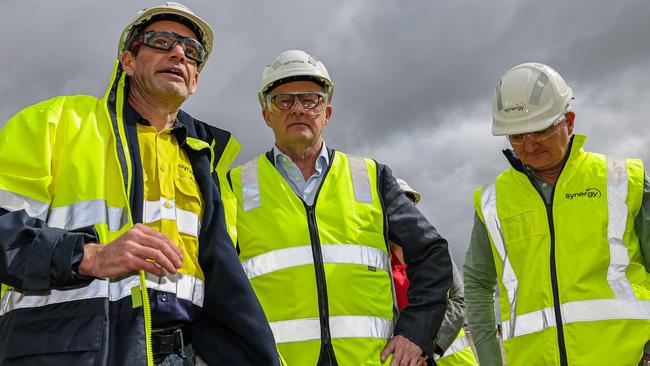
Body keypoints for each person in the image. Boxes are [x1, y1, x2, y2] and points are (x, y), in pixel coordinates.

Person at [0, 3, 280, 365]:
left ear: (195, 80)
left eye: (192, 52)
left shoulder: (205, 162)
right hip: (64, 351)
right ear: (127, 61)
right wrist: (89, 255)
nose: (179, 53)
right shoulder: (55, 123)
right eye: (162, 41)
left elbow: (227, 292)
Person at [228, 49, 453, 365]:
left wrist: (416, 333)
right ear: (267, 115)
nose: (297, 109)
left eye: (310, 100)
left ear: (327, 113)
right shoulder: (234, 185)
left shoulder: (371, 177)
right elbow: (216, 281)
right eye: (283, 100)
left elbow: (432, 254)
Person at [463, 62, 650, 365]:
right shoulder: (493, 202)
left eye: (540, 130)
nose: (530, 145)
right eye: (517, 136)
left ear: (570, 121)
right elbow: (477, 284)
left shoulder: (622, 179)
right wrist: (489, 360)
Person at [391, 178, 478, 365]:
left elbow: (461, 298)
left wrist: (425, 344)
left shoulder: (435, 250)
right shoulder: (377, 258)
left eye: (410, 203)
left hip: (452, 358)